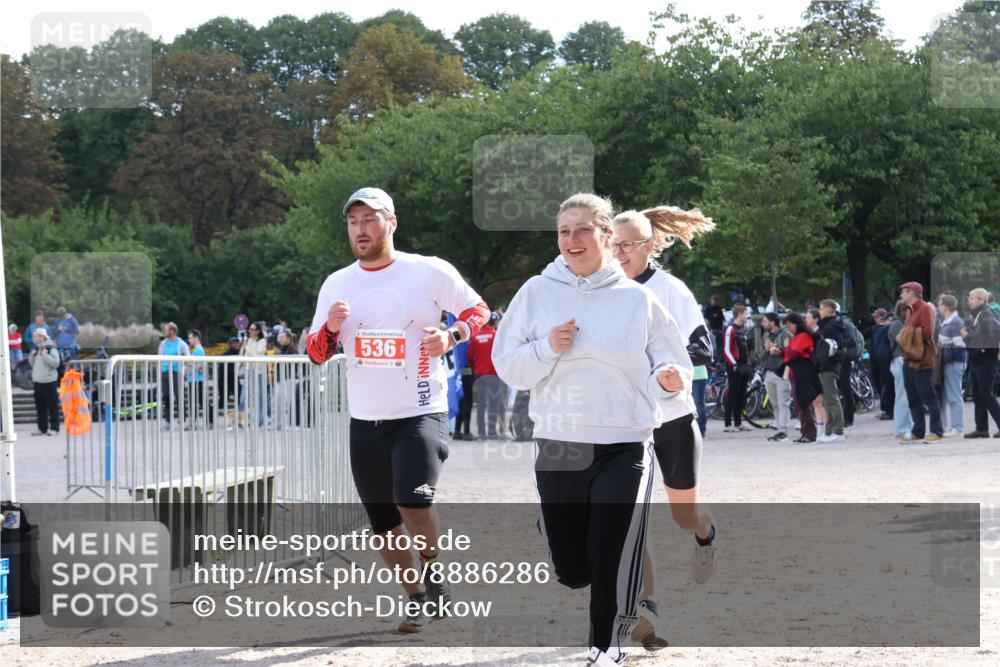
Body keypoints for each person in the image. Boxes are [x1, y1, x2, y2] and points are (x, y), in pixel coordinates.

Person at [492, 193, 692, 666]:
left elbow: (672, 363)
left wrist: (667, 379)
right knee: (573, 570)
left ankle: (606, 646)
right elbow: (507, 365)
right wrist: (546, 347)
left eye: (582, 229)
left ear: (606, 235)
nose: (572, 239)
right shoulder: (536, 293)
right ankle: (557, 528)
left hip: (624, 443)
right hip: (560, 444)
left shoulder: (637, 300)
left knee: (611, 552)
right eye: (564, 231)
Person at [306, 187, 490, 633]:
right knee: (384, 525)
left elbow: (478, 309)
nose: (361, 229)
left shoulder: (428, 271)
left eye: (370, 219)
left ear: (392, 222)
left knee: (412, 499)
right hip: (365, 420)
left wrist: (452, 335)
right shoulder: (337, 283)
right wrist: (331, 329)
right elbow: (314, 353)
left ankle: (432, 566)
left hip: (420, 411)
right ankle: (417, 598)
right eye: (354, 222)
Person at [611, 206, 716, 651]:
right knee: (631, 518)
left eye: (628, 245)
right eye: (612, 244)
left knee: (681, 515)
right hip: (623, 423)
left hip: (671, 416)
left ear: (650, 246)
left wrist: (675, 370)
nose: (619, 253)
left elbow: (702, 348)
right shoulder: (599, 289)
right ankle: (645, 607)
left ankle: (705, 531)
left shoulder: (670, 290)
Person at [897, 282, 944, 443]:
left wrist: (905, 334)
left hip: (922, 358)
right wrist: (905, 334)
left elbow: (928, 332)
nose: (902, 294)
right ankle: (918, 431)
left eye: (904, 291)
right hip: (909, 357)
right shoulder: (910, 311)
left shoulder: (925, 308)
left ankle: (937, 431)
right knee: (913, 397)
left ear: (913, 293)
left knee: (928, 396)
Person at [962, 288, 1000, 438]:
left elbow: (997, 331)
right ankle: (982, 428)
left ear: (981, 300)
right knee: (978, 395)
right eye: (969, 298)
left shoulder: (985, 314)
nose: (969, 301)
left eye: (972, 298)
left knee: (986, 395)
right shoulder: (978, 315)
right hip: (977, 361)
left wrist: (984, 349)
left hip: (985, 362)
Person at [783, 312, 824, 444]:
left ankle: (810, 433)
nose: (788, 328)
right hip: (798, 371)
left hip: (804, 371)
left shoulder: (803, 336)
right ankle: (806, 432)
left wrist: (785, 348)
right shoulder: (797, 336)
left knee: (802, 402)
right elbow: (789, 353)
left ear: (796, 324)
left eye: (789, 325)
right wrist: (784, 350)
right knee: (799, 403)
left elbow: (793, 353)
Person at [468, 312, 503, 440]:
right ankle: (492, 433)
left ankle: (482, 433)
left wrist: (475, 367)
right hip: (493, 376)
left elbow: (470, 356)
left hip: (479, 376)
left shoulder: (475, 337)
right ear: (494, 323)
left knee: (481, 406)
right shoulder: (495, 336)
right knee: (493, 405)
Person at [816, 300, 848, 442]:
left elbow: (831, 348)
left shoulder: (830, 327)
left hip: (829, 366)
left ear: (829, 310)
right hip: (826, 366)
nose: (820, 311)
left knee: (832, 399)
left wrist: (821, 360)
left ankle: (838, 431)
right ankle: (829, 431)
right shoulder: (829, 325)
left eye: (821, 308)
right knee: (827, 401)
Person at [937, 295, 967, 437]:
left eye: (940, 304)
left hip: (953, 363)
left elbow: (960, 346)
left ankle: (957, 427)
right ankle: (945, 427)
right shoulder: (947, 322)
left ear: (945, 307)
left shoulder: (955, 322)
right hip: (947, 363)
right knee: (947, 396)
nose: (938, 307)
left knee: (954, 395)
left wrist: (945, 351)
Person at [761, 312, 793, 441]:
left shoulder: (786, 335)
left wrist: (780, 351)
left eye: (765, 321)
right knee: (774, 403)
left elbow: (792, 354)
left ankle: (783, 431)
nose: (763, 324)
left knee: (783, 402)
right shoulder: (766, 336)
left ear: (772, 322)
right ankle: (779, 428)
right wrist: (767, 350)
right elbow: (761, 356)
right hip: (769, 372)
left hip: (782, 372)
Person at [888, 300, 915, 443]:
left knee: (902, 396)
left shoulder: (896, 323)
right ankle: (902, 428)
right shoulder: (898, 324)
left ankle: (903, 427)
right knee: (903, 396)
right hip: (900, 360)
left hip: (898, 360)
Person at [722, 303, 752, 432]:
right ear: (739, 314)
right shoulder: (730, 329)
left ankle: (738, 423)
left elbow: (744, 349)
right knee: (732, 394)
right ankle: (728, 424)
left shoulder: (742, 329)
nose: (747, 316)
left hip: (743, 366)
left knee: (741, 394)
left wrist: (748, 363)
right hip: (734, 366)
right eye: (745, 313)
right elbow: (726, 349)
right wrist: (733, 364)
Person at [158, 322, 190, 429]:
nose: (164, 332)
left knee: (179, 396)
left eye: (166, 330)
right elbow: (159, 358)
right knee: (166, 397)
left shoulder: (181, 343)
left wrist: (183, 371)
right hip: (165, 373)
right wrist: (160, 372)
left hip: (177, 373)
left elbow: (187, 358)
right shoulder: (163, 344)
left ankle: (183, 419)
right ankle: (167, 421)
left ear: (172, 331)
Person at [28, 328, 61, 436]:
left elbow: (56, 363)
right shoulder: (37, 349)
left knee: (52, 406)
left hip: (49, 381)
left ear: (42, 336)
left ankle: (54, 428)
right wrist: (31, 356)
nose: (34, 338)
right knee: (40, 406)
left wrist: (45, 355)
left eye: (36, 336)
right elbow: (34, 365)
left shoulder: (51, 348)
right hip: (38, 382)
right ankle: (42, 428)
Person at [239, 321, 269, 427]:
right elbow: (243, 356)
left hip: (259, 372)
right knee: (243, 397)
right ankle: (242, 420)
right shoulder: (248, 340)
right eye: (249, 329)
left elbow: (257, 355)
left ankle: (259, 420)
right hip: (248, 371)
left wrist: (247, 347)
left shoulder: (263, 341)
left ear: (258, 331)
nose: (250, 331)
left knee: (260, 397)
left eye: (252, 329)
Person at [869, 308, 894, 420]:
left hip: (885, 361)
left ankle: (889, 410)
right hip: (879, 361)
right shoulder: (875, 329)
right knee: (881, 384)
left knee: (887, 385)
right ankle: (886, 408)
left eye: (877, 317)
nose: (875, 319)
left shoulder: (886, 329)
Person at [185, 329, 212, 430]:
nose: (189, 340)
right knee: (196, 401)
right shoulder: (196, 350)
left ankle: (208, 421)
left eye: (190, 338)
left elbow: (199, 366)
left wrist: (188, 362)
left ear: (196, 338)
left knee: (201, 401)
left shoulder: (199, 350)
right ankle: (195, 422)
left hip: (197, 380)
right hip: (194, 379)